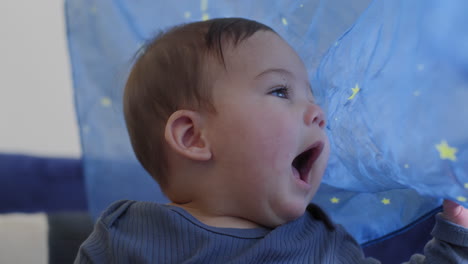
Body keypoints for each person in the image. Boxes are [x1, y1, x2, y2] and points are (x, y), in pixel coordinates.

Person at [75, 18, 468, 263]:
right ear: (193, 136)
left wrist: (456, 239)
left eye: (313, 97)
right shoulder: (126, 234)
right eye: (281, 91)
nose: (319, 113)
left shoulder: (325, 247)